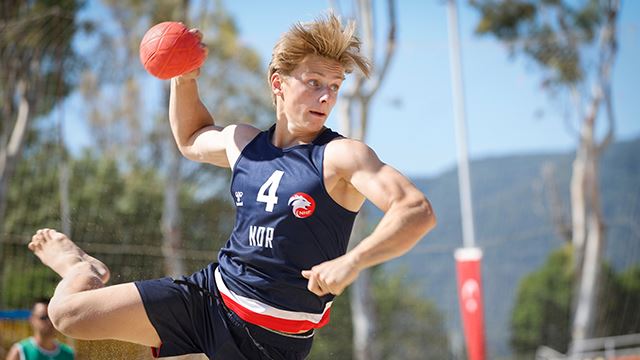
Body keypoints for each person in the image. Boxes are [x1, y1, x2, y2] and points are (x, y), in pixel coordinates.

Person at [27, 13, 436, 360]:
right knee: (67, 315)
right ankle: (81, 268)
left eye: (334, 86)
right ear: (279, 83)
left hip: (275, 341)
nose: (326, 96)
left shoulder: (341, 156)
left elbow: (415, 210)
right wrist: (184, 77)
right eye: (314, 82)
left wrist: (351, 262)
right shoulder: (245, 142)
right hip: (209, 298)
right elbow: (191, 138)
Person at [5, 299, 75, 360]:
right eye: (44, 317)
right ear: (32, 319)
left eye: (51, 317)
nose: (49, 322)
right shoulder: (20, 351)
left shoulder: (68, 353)